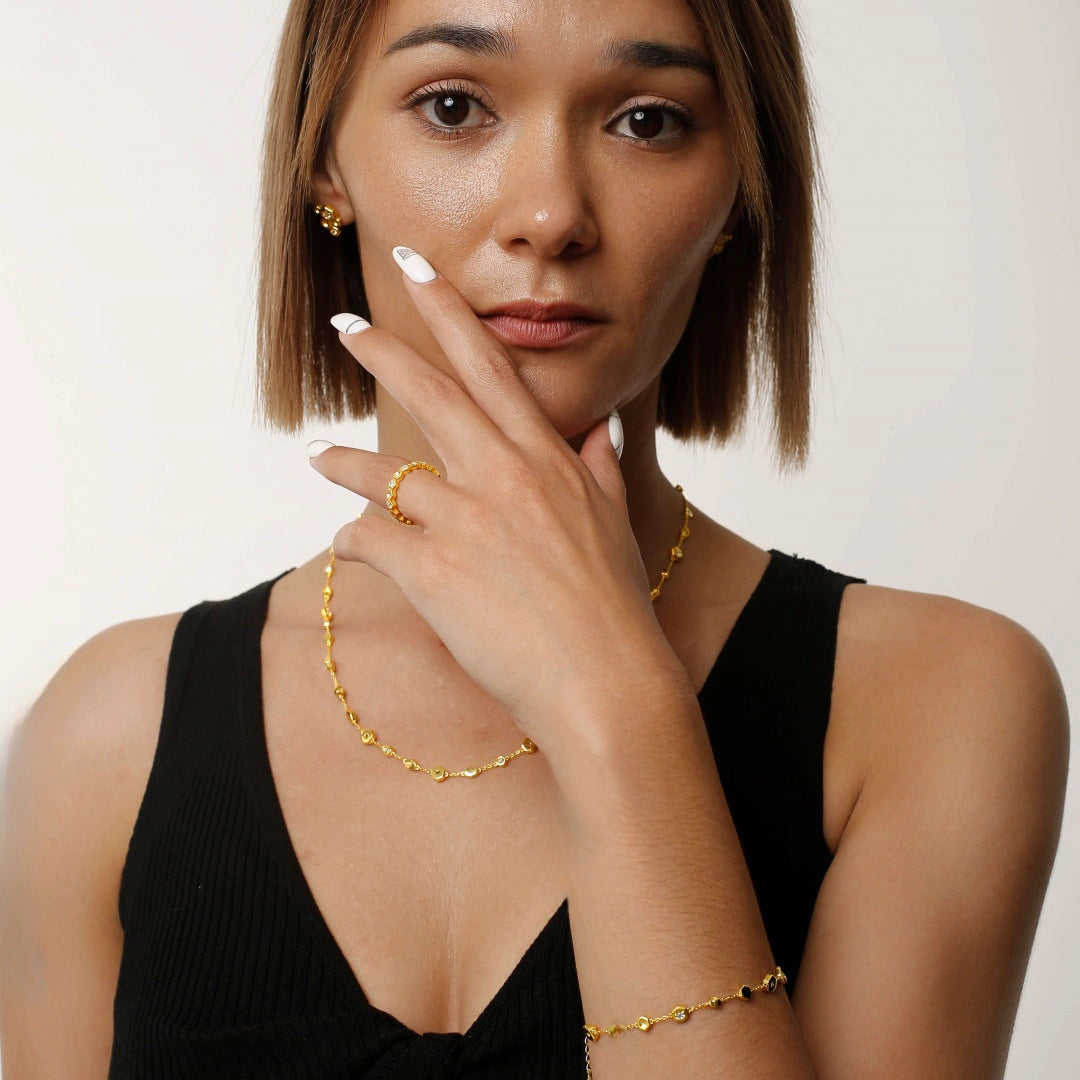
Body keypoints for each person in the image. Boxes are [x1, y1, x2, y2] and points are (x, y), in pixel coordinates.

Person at [0, 0, 1069, 1076]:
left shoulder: (934, 699)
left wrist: (614, 700)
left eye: (648, 121)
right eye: (452, 108)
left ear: (742, 185)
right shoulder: (109, 732)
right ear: (325, 161)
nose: (551, 215)